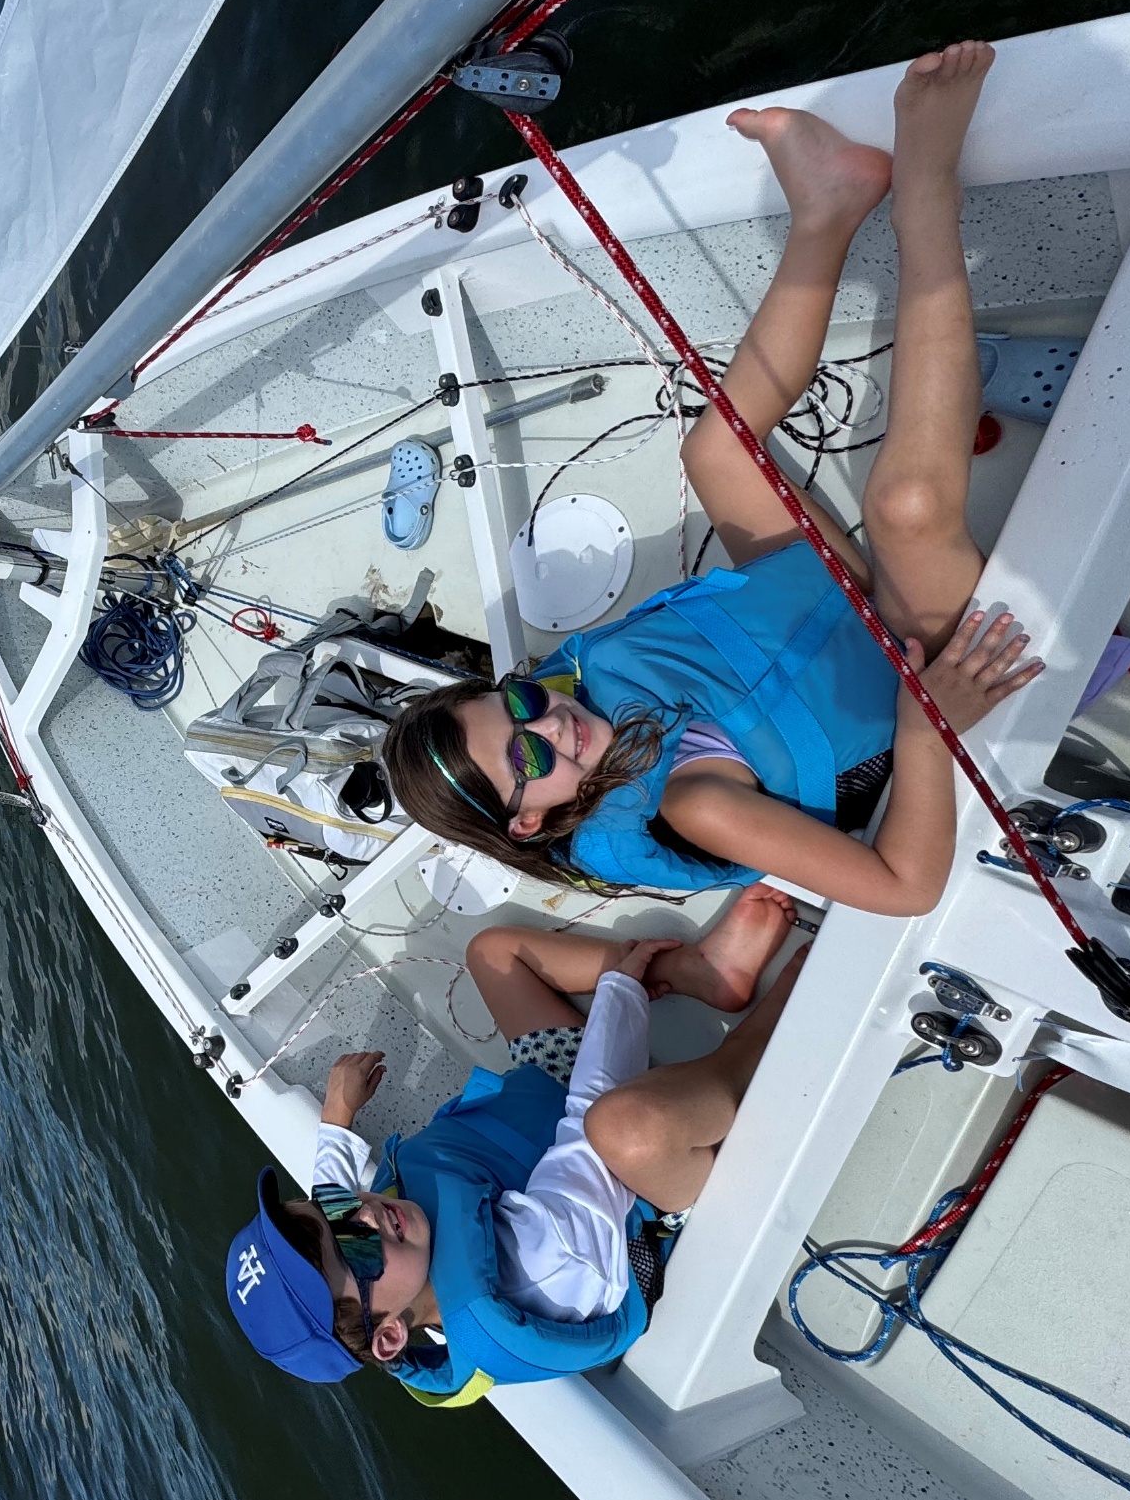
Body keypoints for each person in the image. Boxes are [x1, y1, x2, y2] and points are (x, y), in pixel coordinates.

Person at [383, 44, 1042, 914]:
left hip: (837, 613)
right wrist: (928, 727)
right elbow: (905, 887)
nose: (550, 725)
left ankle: (830, 206)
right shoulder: (694, 804)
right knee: (906, 508)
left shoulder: (592, 708)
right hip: (919, 674)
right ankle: (927, 185)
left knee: (714, 452)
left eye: (523, 701)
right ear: (527, 825)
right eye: (529, 759)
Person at [225, 889, 801, 1406]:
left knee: (493, 953)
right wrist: (619, 990)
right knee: (626, 1126)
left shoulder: (374, 1238)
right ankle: (776, 1024)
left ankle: (699, 969)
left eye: (332, 1208)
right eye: (356, 1245)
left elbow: (334, 1207)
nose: (364, 1212)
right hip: (633, 1173)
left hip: (554, 1099)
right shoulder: (536, 1267)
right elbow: (589, 1124)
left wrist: (338, 1116)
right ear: (391, 1334)